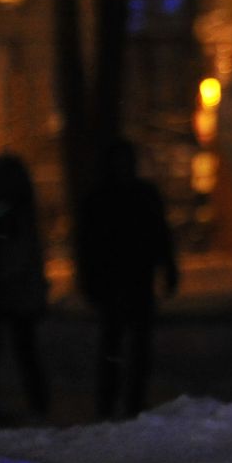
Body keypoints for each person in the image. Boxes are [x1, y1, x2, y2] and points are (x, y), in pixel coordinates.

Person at [75, 140, 179, 420]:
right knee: (117, 344)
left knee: (132, 345)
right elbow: (88, 244)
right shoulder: (108, 198)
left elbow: (160, 234)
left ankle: (127, 403)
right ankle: (114, 403)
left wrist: (168, 268)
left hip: (133, 279)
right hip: (118, 280)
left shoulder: (131, 195)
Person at [0, 155, 48, 421]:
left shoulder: (14, 213)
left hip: (15, 290)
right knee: (26, 351)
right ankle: (38, 404)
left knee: (25, 351)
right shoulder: (19, 211)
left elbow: (24, 253)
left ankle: (38, 404)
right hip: (16, 290)